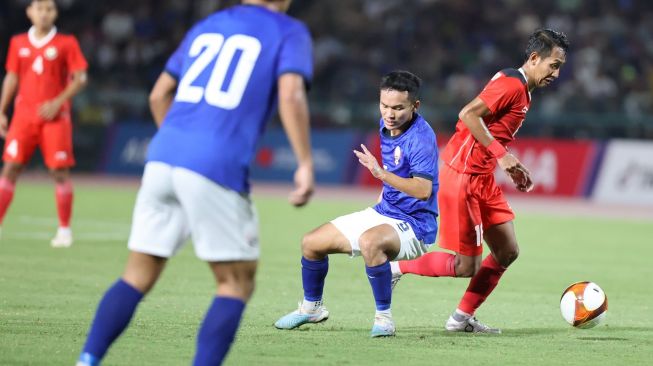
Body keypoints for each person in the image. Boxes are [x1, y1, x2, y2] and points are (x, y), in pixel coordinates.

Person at [76, 1, 314, 365]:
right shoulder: (288, 31)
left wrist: (180, 146)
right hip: (214, 163)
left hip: (163, 155)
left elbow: (158, 94)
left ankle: (88, 359)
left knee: (137, 275)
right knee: (235, 283)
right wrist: (305, 163)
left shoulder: (209, 24)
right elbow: (291, 93)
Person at [390, 29, 570, 333]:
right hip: (463, 177)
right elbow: (469, 115)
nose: (556, 73)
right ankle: (395, 267)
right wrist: (502, 155)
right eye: (553, 65)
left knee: (507, 251)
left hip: (482, 178)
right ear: (534, 58)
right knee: (465, 267)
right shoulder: (513, 85)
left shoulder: (519, 85)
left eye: (560, 67)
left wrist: (508, 163)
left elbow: (490, 128)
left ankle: (460, 319)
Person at [274, 70, 439, 338]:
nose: (390, 113)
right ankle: (311, 308)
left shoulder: (420, 139)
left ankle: (384, 319)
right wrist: (381, 199)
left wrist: (381, 175)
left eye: (398, 108)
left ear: (415, 106)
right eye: (385, 106)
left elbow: (423, 190)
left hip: (416, 225)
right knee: (311, 243)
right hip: (384, 211)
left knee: (369, 241)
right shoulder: (385, 124)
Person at [0, 0, 88, 247]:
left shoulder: (66, 43)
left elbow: (80, 78)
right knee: (9, 169)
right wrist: (1, 110)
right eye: (39, 8)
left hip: (55, 119)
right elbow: (12, 76)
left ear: (55, 13)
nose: (44, 14)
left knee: (59, 172)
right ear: (29, 12)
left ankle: (64, 230)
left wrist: (58, 102)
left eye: (49, 9)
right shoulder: (18, 43)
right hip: (23, 117)